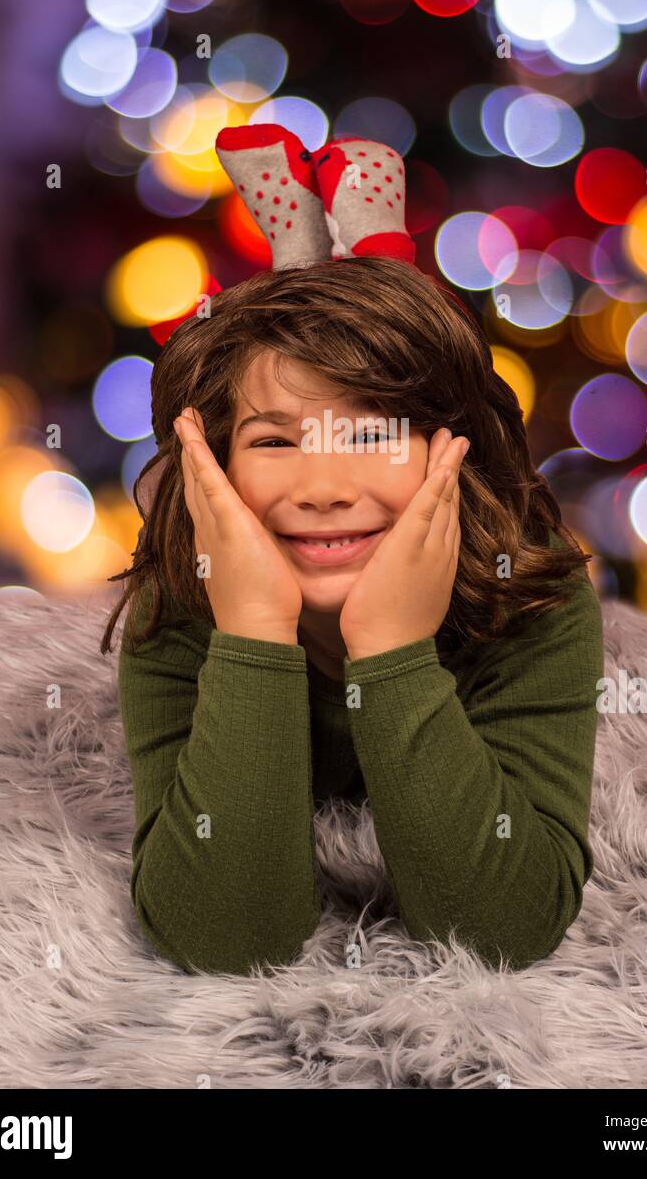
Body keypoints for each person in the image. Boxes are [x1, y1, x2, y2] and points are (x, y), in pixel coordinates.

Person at [101, 123, 604, 976]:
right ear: (209, 462)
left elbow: (505, 929)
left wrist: (393, 652)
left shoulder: (534, 590)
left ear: (456, 449)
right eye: (273, 442)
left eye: (371, 433)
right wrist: (254, 628)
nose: (325, 487)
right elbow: (225, 937)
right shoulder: (184, 593)